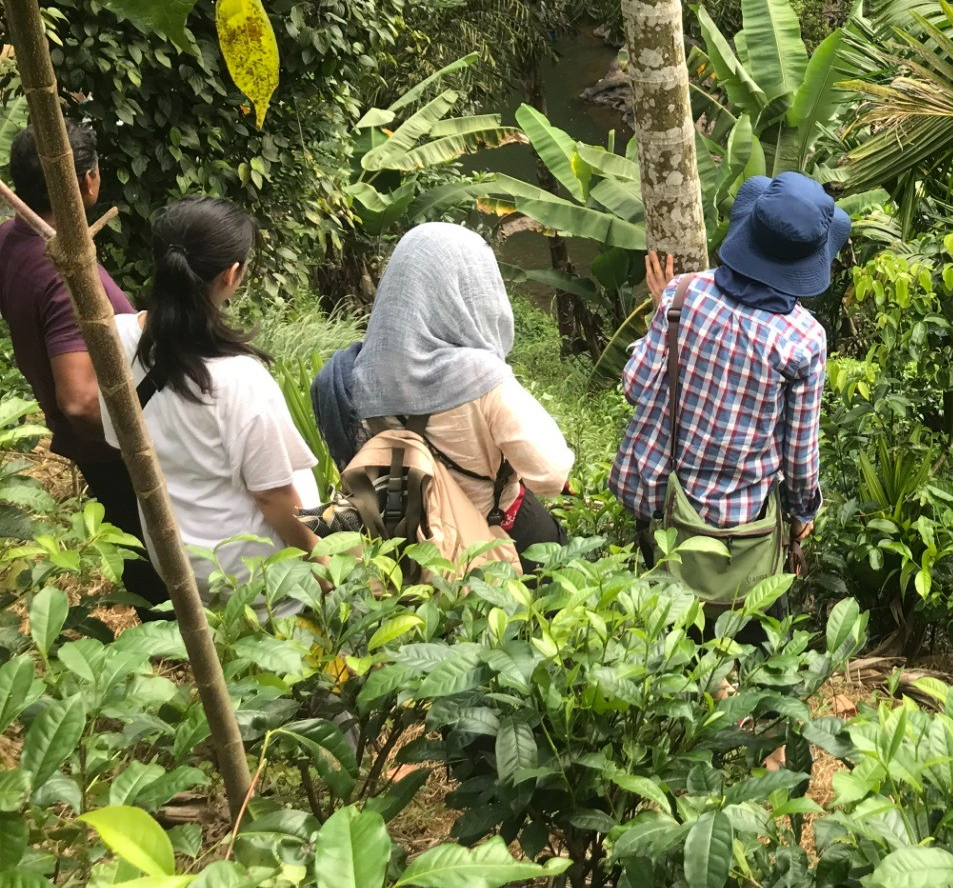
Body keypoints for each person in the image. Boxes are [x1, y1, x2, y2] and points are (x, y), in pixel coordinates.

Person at [611, 172, 850, 611]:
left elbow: (634, 387)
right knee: (738, 633)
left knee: (661, 628)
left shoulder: (681, 295)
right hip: (737, 528)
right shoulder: (803, 339)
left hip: (663, 507)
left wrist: (663, 317)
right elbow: (799, 456)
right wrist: (802, 515)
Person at [102, 197, 320, 599]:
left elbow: (121, 443)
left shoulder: (114, 338)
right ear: (232, 275)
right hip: (257, 578)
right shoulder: (239, 378)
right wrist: (324, 563)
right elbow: (273, 498)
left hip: (178, 563)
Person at [0, 123, 166, 605]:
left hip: (96, 447)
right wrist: (134, 442)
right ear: (88, 181)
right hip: (113, 452)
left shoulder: (15, 239)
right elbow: (76, 398)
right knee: (150, 561)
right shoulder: (63, 277)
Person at [346, 223, 575, 560]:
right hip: (493, 533)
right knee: (566, 559)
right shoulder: (482, 379)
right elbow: (551, 476)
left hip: (411, 537)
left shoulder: (360, 372)